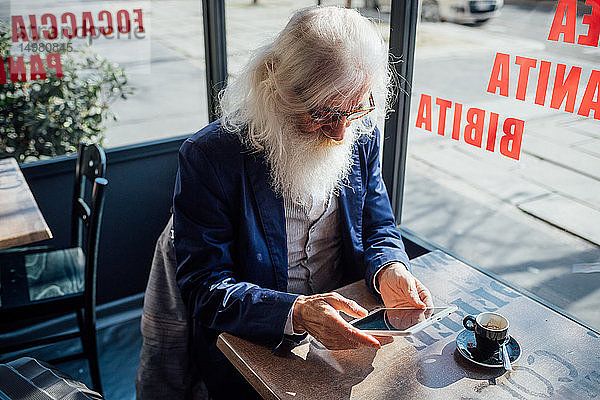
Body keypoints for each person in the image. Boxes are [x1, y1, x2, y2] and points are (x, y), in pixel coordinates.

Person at [172, 6, 433, 399]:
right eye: (321, 112)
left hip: (351, 332)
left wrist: (390, 268)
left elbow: (377, 226)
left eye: (355, 109)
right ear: (276, 86)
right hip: (258, 347)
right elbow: (204, 290)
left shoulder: (360, 135)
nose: (340, 132)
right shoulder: (211, 157)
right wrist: (295, 313)